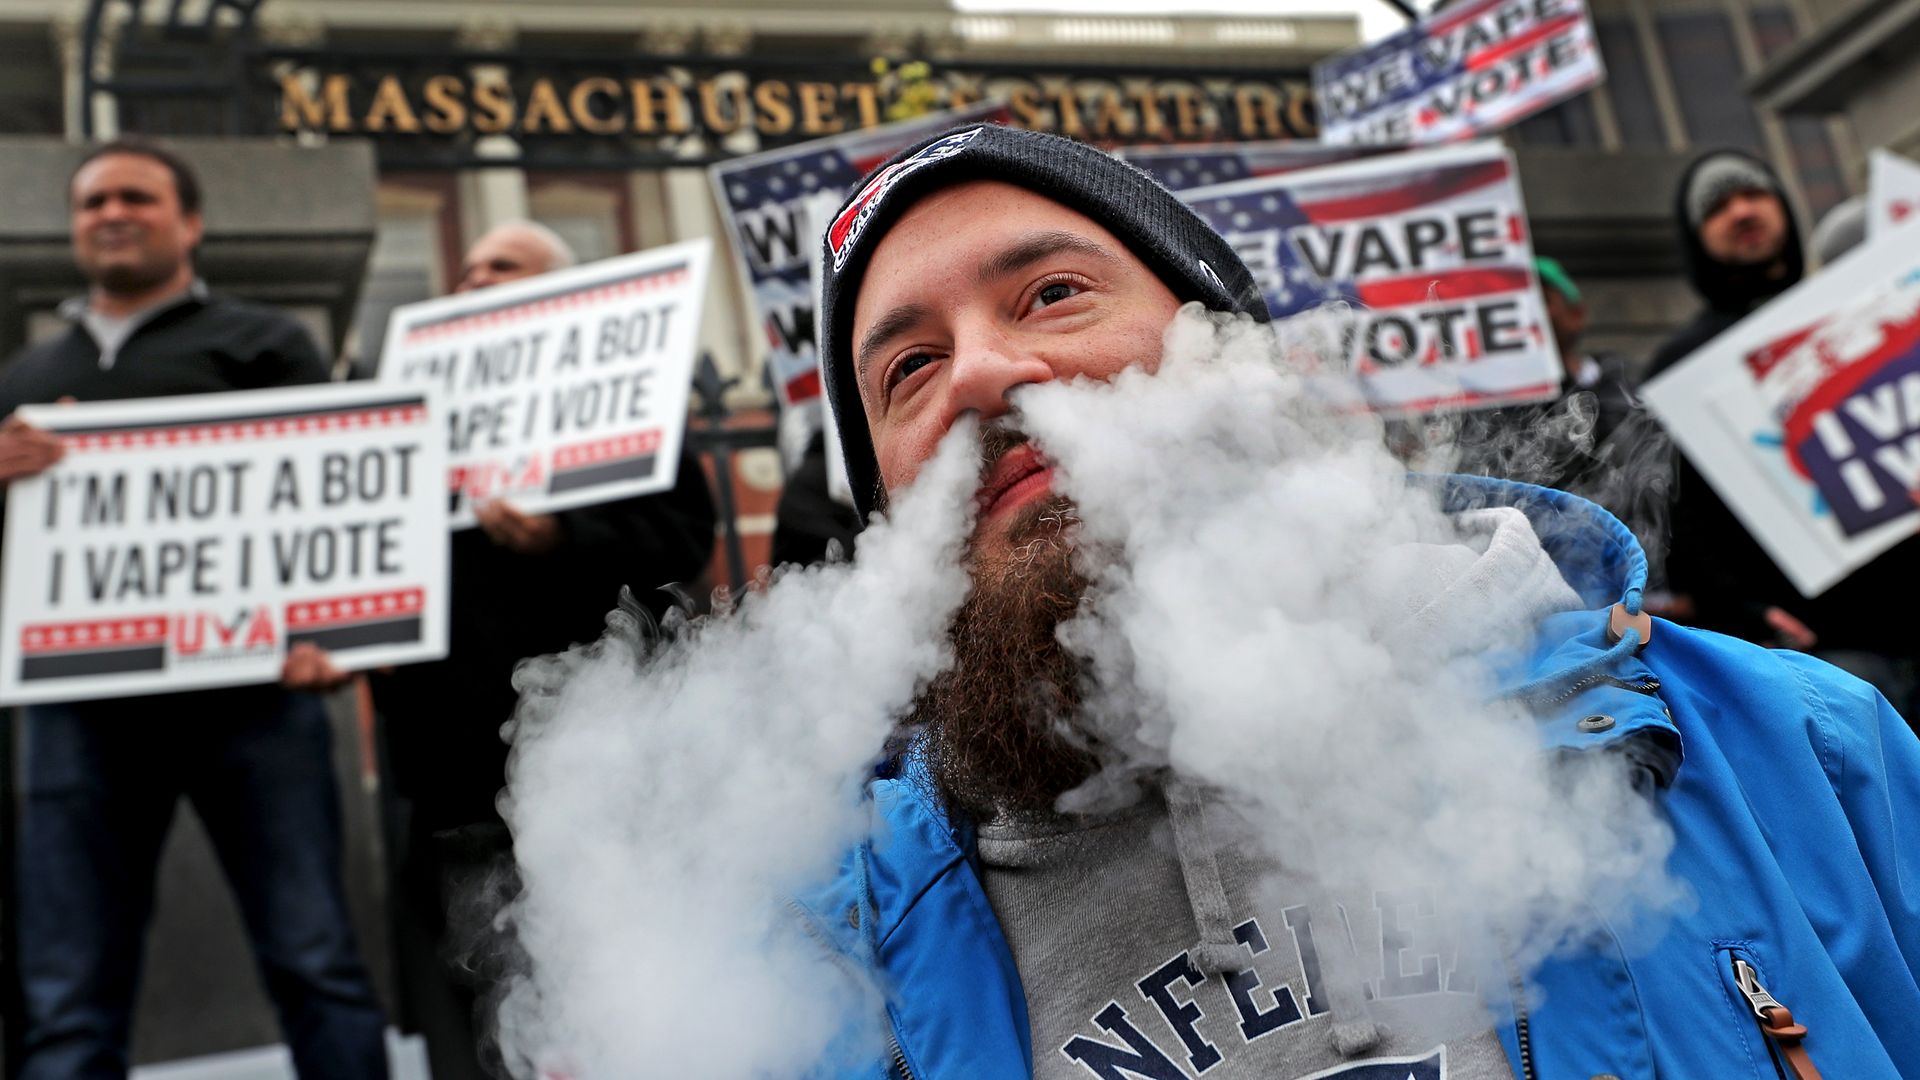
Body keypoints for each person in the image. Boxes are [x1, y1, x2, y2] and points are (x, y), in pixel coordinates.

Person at [804, 125, 1919, 1077]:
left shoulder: (1793, 749)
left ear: (1234, 353)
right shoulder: (820, 971)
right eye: (907, 368)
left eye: (1051, 294)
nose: (981, 373)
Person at [286, 220, 717, 1078]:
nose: (476, 278)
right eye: (469, 267)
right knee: (473, 1021)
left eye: (505, 267)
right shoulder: (410, 421)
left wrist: (562, 538)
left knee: (616, 1014)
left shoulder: (627, 400)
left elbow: (680, 541)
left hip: (600, 776)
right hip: (449, 783)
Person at [0, 140, 389, 1078]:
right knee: (67, 992)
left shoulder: (266, 343)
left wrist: (332, 634)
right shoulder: (21, 381)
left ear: (192, 223)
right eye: (93, 201)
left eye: (136, 195)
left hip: (252, 700)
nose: (112, 213)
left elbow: (329, 503)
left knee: (315, 963)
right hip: (76, 712)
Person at [1639, 151, 1920, 714]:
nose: (1741, 210)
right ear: (1697, 237)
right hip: (1829, 648)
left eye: (1754, 195)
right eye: (1718, 207)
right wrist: (1744, 612)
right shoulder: (1679, 367)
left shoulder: (1872, 308)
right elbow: (1683, 521)